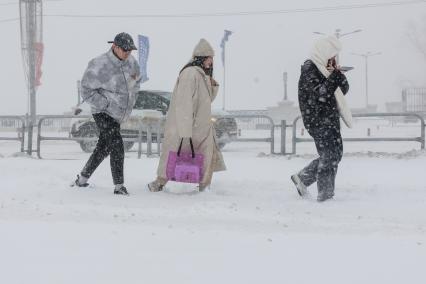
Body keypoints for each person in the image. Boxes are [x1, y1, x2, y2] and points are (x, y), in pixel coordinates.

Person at [148, 38, 226, 192]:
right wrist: (185, 131)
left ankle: (204, 186)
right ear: (203, 57)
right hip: (190, 126)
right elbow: (184, 103)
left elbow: (207, 99)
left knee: (207, 155)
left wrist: (212, 83)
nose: (212, 62)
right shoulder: (190, 74)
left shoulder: (201, 74)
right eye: (210, 58)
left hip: (201, 126)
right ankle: (159, 182)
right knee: (174, 154)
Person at [71, 32, 141, 195]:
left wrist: (133, 99)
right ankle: (119, 186)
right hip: (102, 112)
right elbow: (86, 90)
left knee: (103, 148)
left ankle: (81, 179)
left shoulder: (132, 63)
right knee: (117, 145)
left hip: (119, 114)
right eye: (125, 50)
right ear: (115, 47)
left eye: (130, 50)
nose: (128, 53)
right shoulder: (99, 65)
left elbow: (137, 82)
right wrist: (105, 104)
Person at [291, 36, 350, 202]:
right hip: (318, 120)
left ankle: (302, 178)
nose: (333, 60)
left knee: (335, 154)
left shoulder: (325, 70)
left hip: (330, 119)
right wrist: (334, 76)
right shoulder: (310, 69)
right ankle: (325, 194)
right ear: (324, 53)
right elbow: (321, 94)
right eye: (332, 56)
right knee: (329, 155)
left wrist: (338, 74)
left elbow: (343, 90)